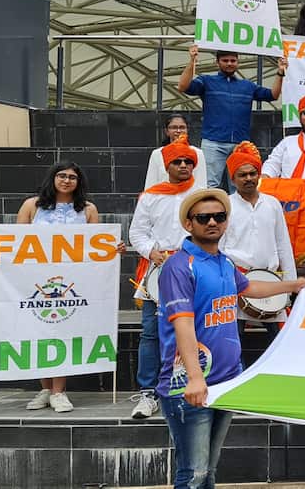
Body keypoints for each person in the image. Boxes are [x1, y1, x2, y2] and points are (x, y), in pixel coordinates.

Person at [158, 188, 305, 488]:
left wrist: (294, 285)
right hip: (189, 386)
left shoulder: (224, 263)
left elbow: (249, 288)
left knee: (208, 471)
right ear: (189, 224)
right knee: (193, 474)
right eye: (203, 217)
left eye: (219, 216)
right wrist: (195, 377)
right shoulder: (178, 267)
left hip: (226, 381)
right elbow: (183, 326)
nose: (212, 222)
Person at [0, 162, 122, 413]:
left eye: (73, 177)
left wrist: (113, 249)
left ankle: (59, 391)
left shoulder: (88, 210)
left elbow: (95, 245)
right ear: (52, 178)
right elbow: (14, 242)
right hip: (36, 280)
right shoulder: (31, 206)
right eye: (62, 176)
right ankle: (45, 388)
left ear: (79, 182)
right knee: (37, 331)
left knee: (65, 329)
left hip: (73, 282)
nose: (67, 181)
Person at [127, 135, 198, 420]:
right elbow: (137, 233)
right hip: (157, 270)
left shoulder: (201, 194)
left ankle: (191, 382)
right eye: (177, 162)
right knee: (150, 332)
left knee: (195, 327)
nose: (183, 165)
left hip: (193, 268)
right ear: (167, 166)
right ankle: (148, 393)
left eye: (187, 162)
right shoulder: (151, 196)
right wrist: (152, 252)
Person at [177, 45, 286, 192]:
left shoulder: (247, 85)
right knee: (210, 186)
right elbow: (183, 86)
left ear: (238, 62)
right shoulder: (207, 81)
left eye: (233, 60)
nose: (229, 63)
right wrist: (192, 61)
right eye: (225, 60)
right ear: (217, 62)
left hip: (240, 145)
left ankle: (237, 216)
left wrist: (280, 72)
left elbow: (273, 95)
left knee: (239, 187)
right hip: (213, 142)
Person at [219, 142, 297, 340]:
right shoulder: (225, 205)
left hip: (270, 282)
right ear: (233, 179)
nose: (248, 179)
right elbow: (218, 247)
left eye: (253, 173)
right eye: (242, 175)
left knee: (280, 342)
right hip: (236, 282)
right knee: (232, 343)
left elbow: (283, 245)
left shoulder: (272, 204)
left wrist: (290, 285)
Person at [145, 113, 207, 192]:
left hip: (190, 200)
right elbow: (150, 184)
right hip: (163, 199)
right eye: (174, 127)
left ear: (187, 130)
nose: (178, 131)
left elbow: (201, 184)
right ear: (167, 131)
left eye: (182, 127)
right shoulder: (157, 154)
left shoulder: (198, 153)